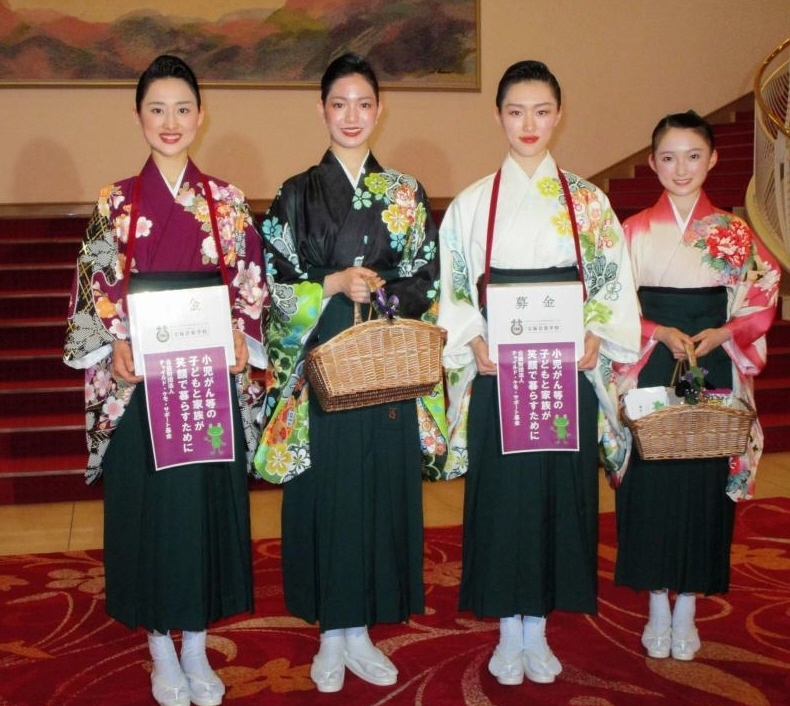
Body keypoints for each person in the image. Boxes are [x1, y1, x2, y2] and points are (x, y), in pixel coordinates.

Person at [63, 55, 268, 706]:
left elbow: (252, 293)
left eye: (183, 108)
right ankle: (158, 645)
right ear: (138, 117)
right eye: (157, 109)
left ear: (201, 116)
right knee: (150, 518)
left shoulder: (230, 205)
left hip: (206, 389)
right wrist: (115, 344)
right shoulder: (116, 204)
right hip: (141, 395)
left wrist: (243, 336)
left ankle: (198, 645)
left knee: (206, 515)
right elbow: (92, 298)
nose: (171, 122)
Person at [437, 60, 641, 686]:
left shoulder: (588, 203)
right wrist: (471, 342)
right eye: (516, 111)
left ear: (559, 114)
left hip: (563, 374)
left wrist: (595, 332)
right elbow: (453, 291)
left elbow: (610, 281)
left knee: (557, 494)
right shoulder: (472, 205)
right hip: (501, 374)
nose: (530, 124)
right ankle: (506, 628)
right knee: (504, 500)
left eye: (542, 111)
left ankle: (540, 629)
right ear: (498, 115)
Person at [253, 52, 444, 693]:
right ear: (322, 110)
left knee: (380, 489)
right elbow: (272, 288)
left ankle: (362, 629)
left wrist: (385, 290)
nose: (353, 116)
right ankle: (330, 633)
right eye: (340, 104)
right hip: (323, 357)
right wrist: (331, 282)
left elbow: (428, 277)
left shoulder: (407, 194)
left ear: (379, 110)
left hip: (384, 357)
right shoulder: (293, 194)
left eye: (365, 103)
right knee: (328, 489)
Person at [614, 110, 780, 661]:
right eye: (667, 157)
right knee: (651, 483)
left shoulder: (734, 235)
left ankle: (688, 606)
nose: (680, 168)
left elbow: (764, 293)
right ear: (652, 162)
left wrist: (726, 330)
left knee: (705, 482)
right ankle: (657, 603)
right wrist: (653, 329)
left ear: (712, 158)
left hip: (712, 358)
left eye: (692, 156)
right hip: (651, 360)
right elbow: (607, 306)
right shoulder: (632, 231)